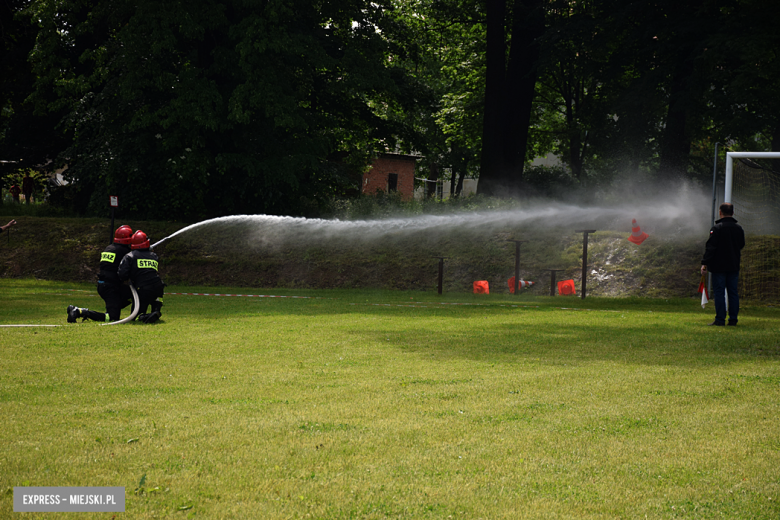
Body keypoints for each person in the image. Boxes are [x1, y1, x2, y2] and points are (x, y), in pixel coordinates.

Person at [67, 225, 135, 323]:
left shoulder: (109, 248)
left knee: (128, 298)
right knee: (112, 318)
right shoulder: (124, 252)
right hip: (112, 288)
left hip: (104, 286)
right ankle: (79, 312)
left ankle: (120, 310)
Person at [701, 202, 745, 326]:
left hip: (718, 266)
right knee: (733, 292)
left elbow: (711, 248)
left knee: (719, 292)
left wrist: (704, 263)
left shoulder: (716, 228)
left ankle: (720, 319)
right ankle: (733, 320)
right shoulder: (739, 228)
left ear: (720, 212)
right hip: (733, 265)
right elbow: (741, 245)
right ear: (733, 213)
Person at [118, 229, 164, 324]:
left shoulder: (130, 256)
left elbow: (122, 274)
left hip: (143, 289)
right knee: (157, 295)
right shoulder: (154, 256)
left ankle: (145, 316)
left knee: (136, 315)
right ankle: (156, 310)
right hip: (158, 287)